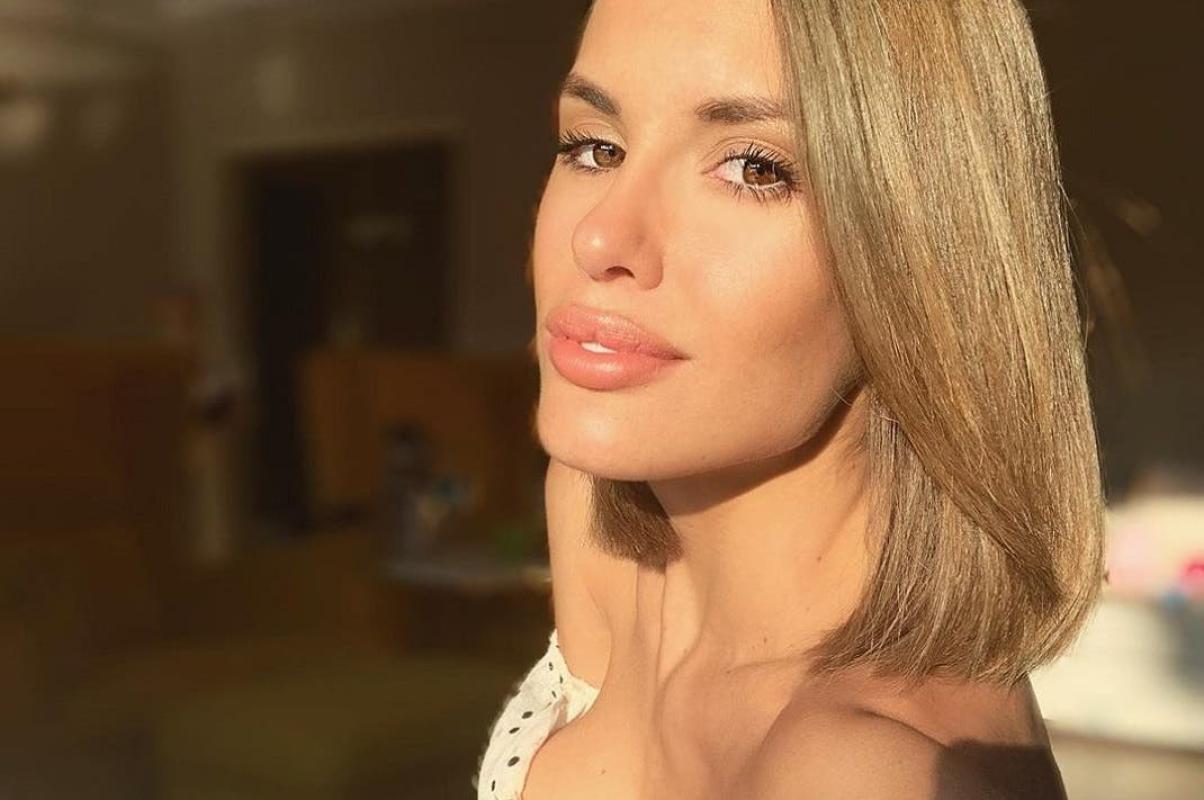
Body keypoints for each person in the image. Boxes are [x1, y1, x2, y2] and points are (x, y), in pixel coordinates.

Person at [476, 0, 1105, 797]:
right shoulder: (599, 519)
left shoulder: (870, 774)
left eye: (753, 168)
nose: (597, 238)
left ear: (921, 255)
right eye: (596, 147)